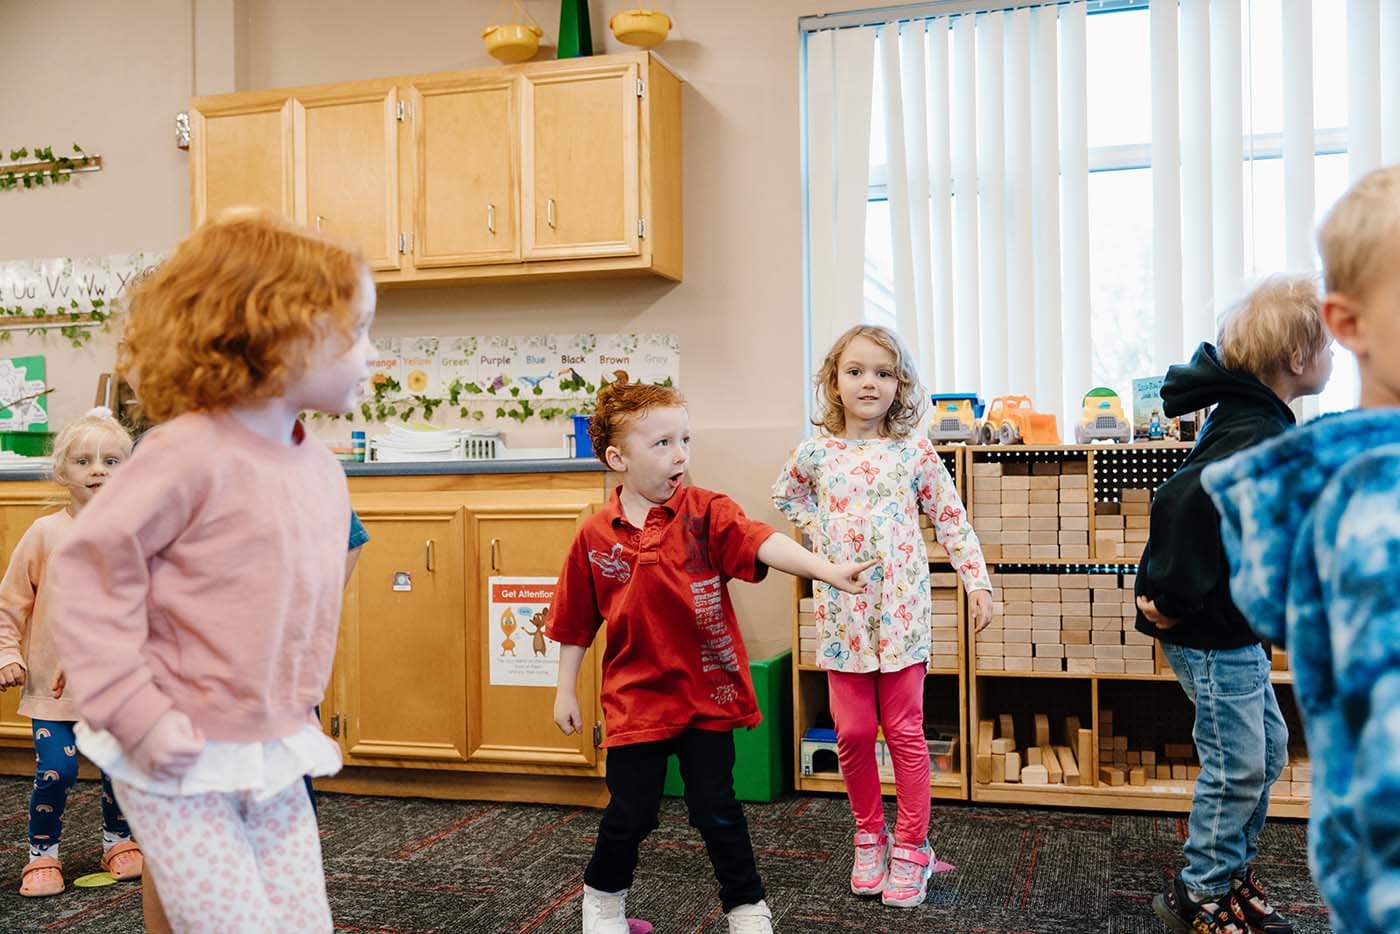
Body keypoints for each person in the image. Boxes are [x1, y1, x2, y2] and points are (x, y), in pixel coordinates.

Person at [46, 210, 372, 932]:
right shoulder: (185, 454)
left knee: (302, 924)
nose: (372, 355)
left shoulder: (319, 467)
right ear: (278, 335)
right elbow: (88, 576)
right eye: (357, 334)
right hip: (177, 757)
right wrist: (135, 712)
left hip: (270, 746)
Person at [549, 378, 877, 934]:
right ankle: (603, 901)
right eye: (661, 444)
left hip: (706, 693)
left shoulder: (707, 513)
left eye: (685, 439)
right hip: (636, 702)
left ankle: (746, 906)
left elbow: (759, 539)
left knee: (717, 809)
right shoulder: (595, 536)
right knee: (630, 813)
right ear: (616, 458)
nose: (680, 454)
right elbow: (575, 621)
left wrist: (823, 568)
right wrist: (564, 688)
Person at [1202, 164, 1400, 933]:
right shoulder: (1363, 501)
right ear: (1346, 328)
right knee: (1241, 759)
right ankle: (1208, 886)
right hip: (1384, 874)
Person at [1136, 276, 1333, 934]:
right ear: (1299, 360)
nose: (1333, 358)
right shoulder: (1253, 428)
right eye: (1327, 348)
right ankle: (1202, 890)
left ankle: (1231, 869)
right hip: (1210, 633)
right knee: (1239, 762)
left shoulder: (1256, 417)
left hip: (1231, 628)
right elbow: (1183, 500)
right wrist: (1168, 591)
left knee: (1266, 753)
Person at [771, 324, 993, 909]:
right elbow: (785, 495)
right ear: (834, 382)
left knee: (905, 733)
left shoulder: (913, 452)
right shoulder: (815, 452)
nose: (869, 382)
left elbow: (950, 519)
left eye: (884, 373)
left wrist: (978, 583)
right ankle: (870, 833)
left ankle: (913, 846)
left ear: (901, 385)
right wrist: (821, 534)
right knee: (852, 733)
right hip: (843, 615)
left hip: (901, 614)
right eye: (856, 371)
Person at [0, 408, 142, 897]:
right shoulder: (43, 534)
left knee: (120, 769)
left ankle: (118, 839)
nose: (98, 470)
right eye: (84, 461)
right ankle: (42, 854)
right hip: (51, 690)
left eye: (111, 460)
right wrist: (5, 654)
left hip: (119, 686)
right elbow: (10, 604)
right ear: (63, 472)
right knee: (57, 770)